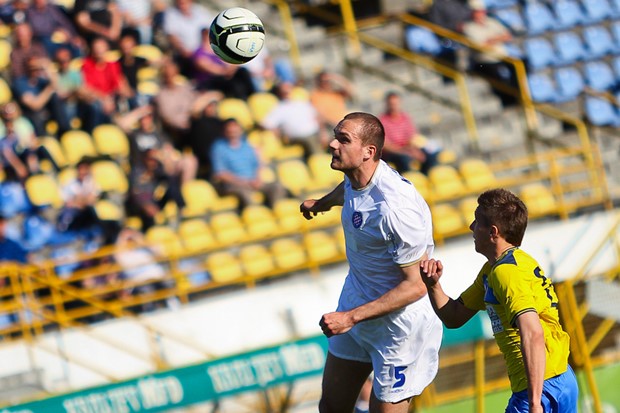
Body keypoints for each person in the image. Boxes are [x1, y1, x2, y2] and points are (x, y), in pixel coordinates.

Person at [299, 112, 442, 413]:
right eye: (335, 135)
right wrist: (322, 203)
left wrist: (349, 318)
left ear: (369, 152)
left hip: (398, 327)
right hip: (356, 301)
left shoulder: (394, 208)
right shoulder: (358, 175)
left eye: (343, 139)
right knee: (331, 408)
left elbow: (415, 287)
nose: (332, 144)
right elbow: (349, 191)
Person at [420, 188, 579, 413]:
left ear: (493, 232)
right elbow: (454, 316)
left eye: (477, 222)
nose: (471, 228)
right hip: (559, 377)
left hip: (540, 387)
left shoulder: (506, 273)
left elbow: (533, 333)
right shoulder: (496, 270)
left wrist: (534, 403)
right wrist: (433, 285)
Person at [211, 117, 288, 211]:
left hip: (252, 181)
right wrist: (243, 182)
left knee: (277, 187)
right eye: (230, 130)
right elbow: (221, 173)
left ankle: (276, 212)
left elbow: (258, 164)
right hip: (235, 184)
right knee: (247, 196)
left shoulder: (247, 145)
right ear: (224, 132)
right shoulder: (219, 148)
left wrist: (257, 178)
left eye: (235, 129)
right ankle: (255, 216)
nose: (233, 132)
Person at [261, 81, 327, 162]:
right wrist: (277, 132)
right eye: (283, 91)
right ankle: (321, 163)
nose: (286, 92)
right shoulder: (279, 108)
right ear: (279, 92)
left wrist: (323, 133)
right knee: (312, 143)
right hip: (299, 136)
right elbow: (266, 124)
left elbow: (317, 117)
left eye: (288, 89)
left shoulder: (302, 103)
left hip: (314, 132)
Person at [378, 91, 440, 175]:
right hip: (393, 153)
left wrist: (413, 150)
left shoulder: (405, 117)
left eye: (396, 103)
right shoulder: (382, 120)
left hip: (407, 149)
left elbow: (412, 137)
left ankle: (425, 177)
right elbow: (386, 145)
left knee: (429, 155)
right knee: (404, 159)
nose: (394, 106)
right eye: (392, 104)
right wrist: (403, 151)